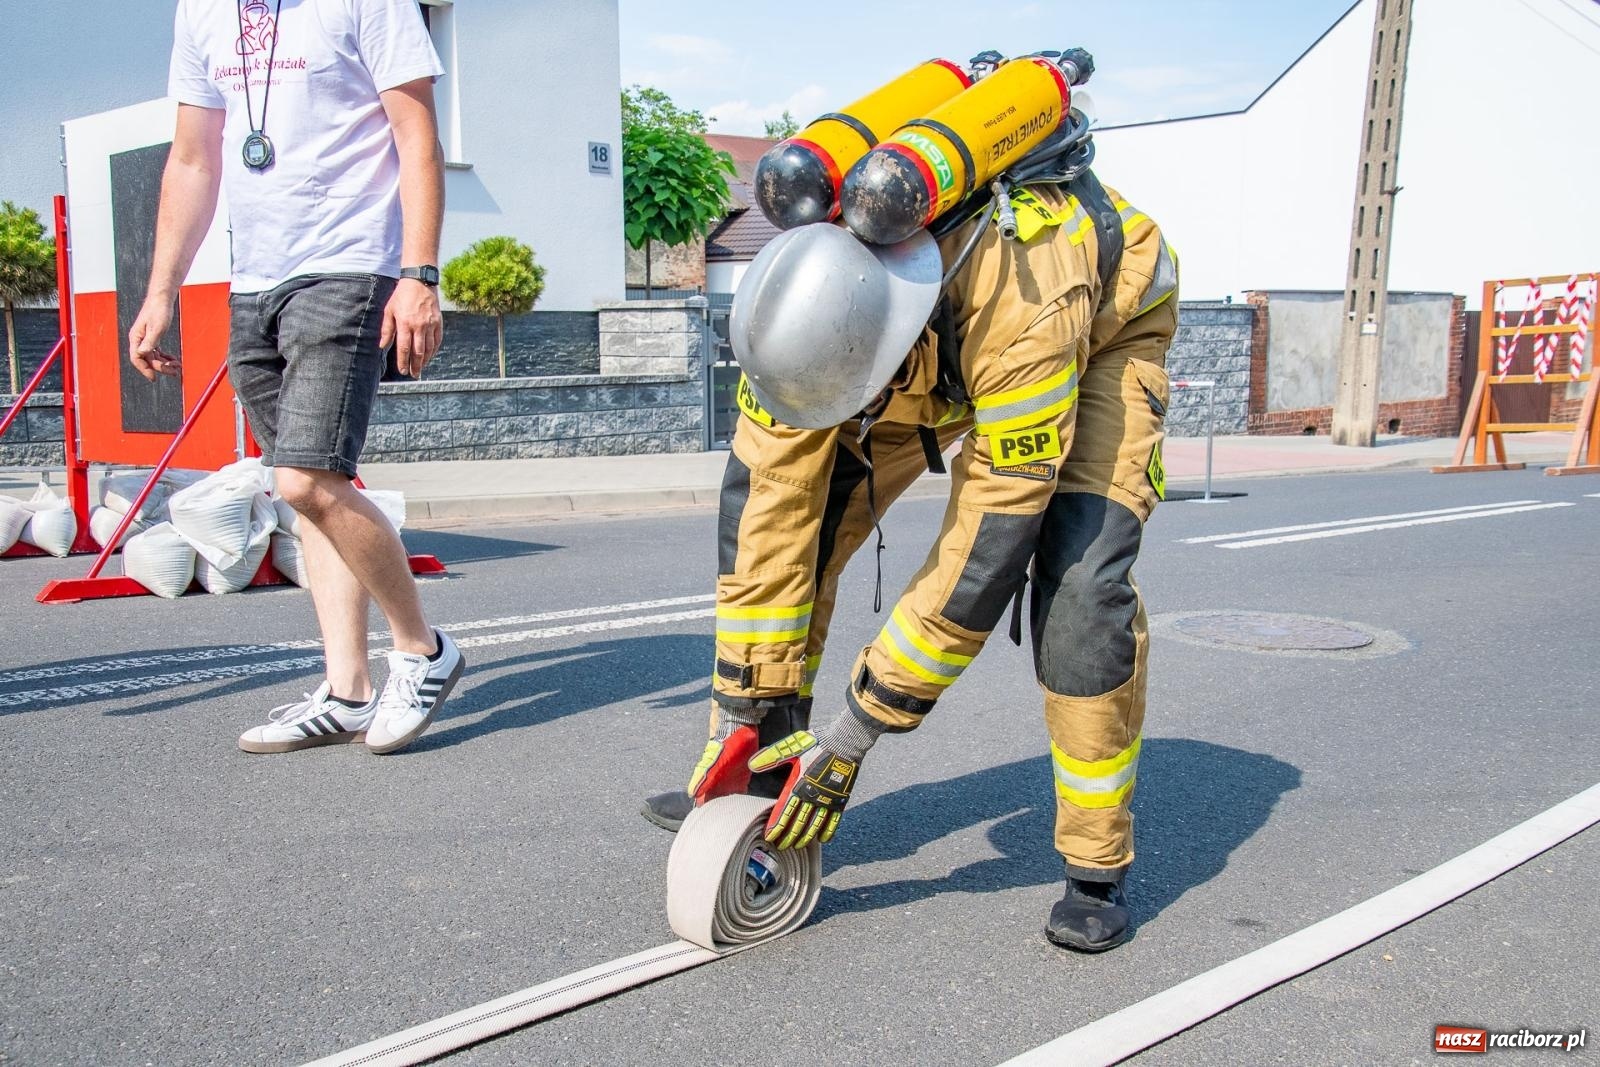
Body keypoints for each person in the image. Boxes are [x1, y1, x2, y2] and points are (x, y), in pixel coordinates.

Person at [644, 157, 1179, 953]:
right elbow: (766, 520)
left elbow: (987, 547)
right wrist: (736, 708)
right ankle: (767, 767)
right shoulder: (799, 312)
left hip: (1093, 330)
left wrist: (857, 732)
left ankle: (1094, 863)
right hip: (930, 346)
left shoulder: (1024, 311)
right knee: (810, 522)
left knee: (1079, 593)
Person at [129, 0, 464, 755]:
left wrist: (419, 275)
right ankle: (346, 691)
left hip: (350, 262)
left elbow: (417, 136)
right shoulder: (203, 10)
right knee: (309, 493)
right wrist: (161, 289)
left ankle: (423, 649)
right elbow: (192, 157)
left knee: (306, 478)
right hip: (255, 278)